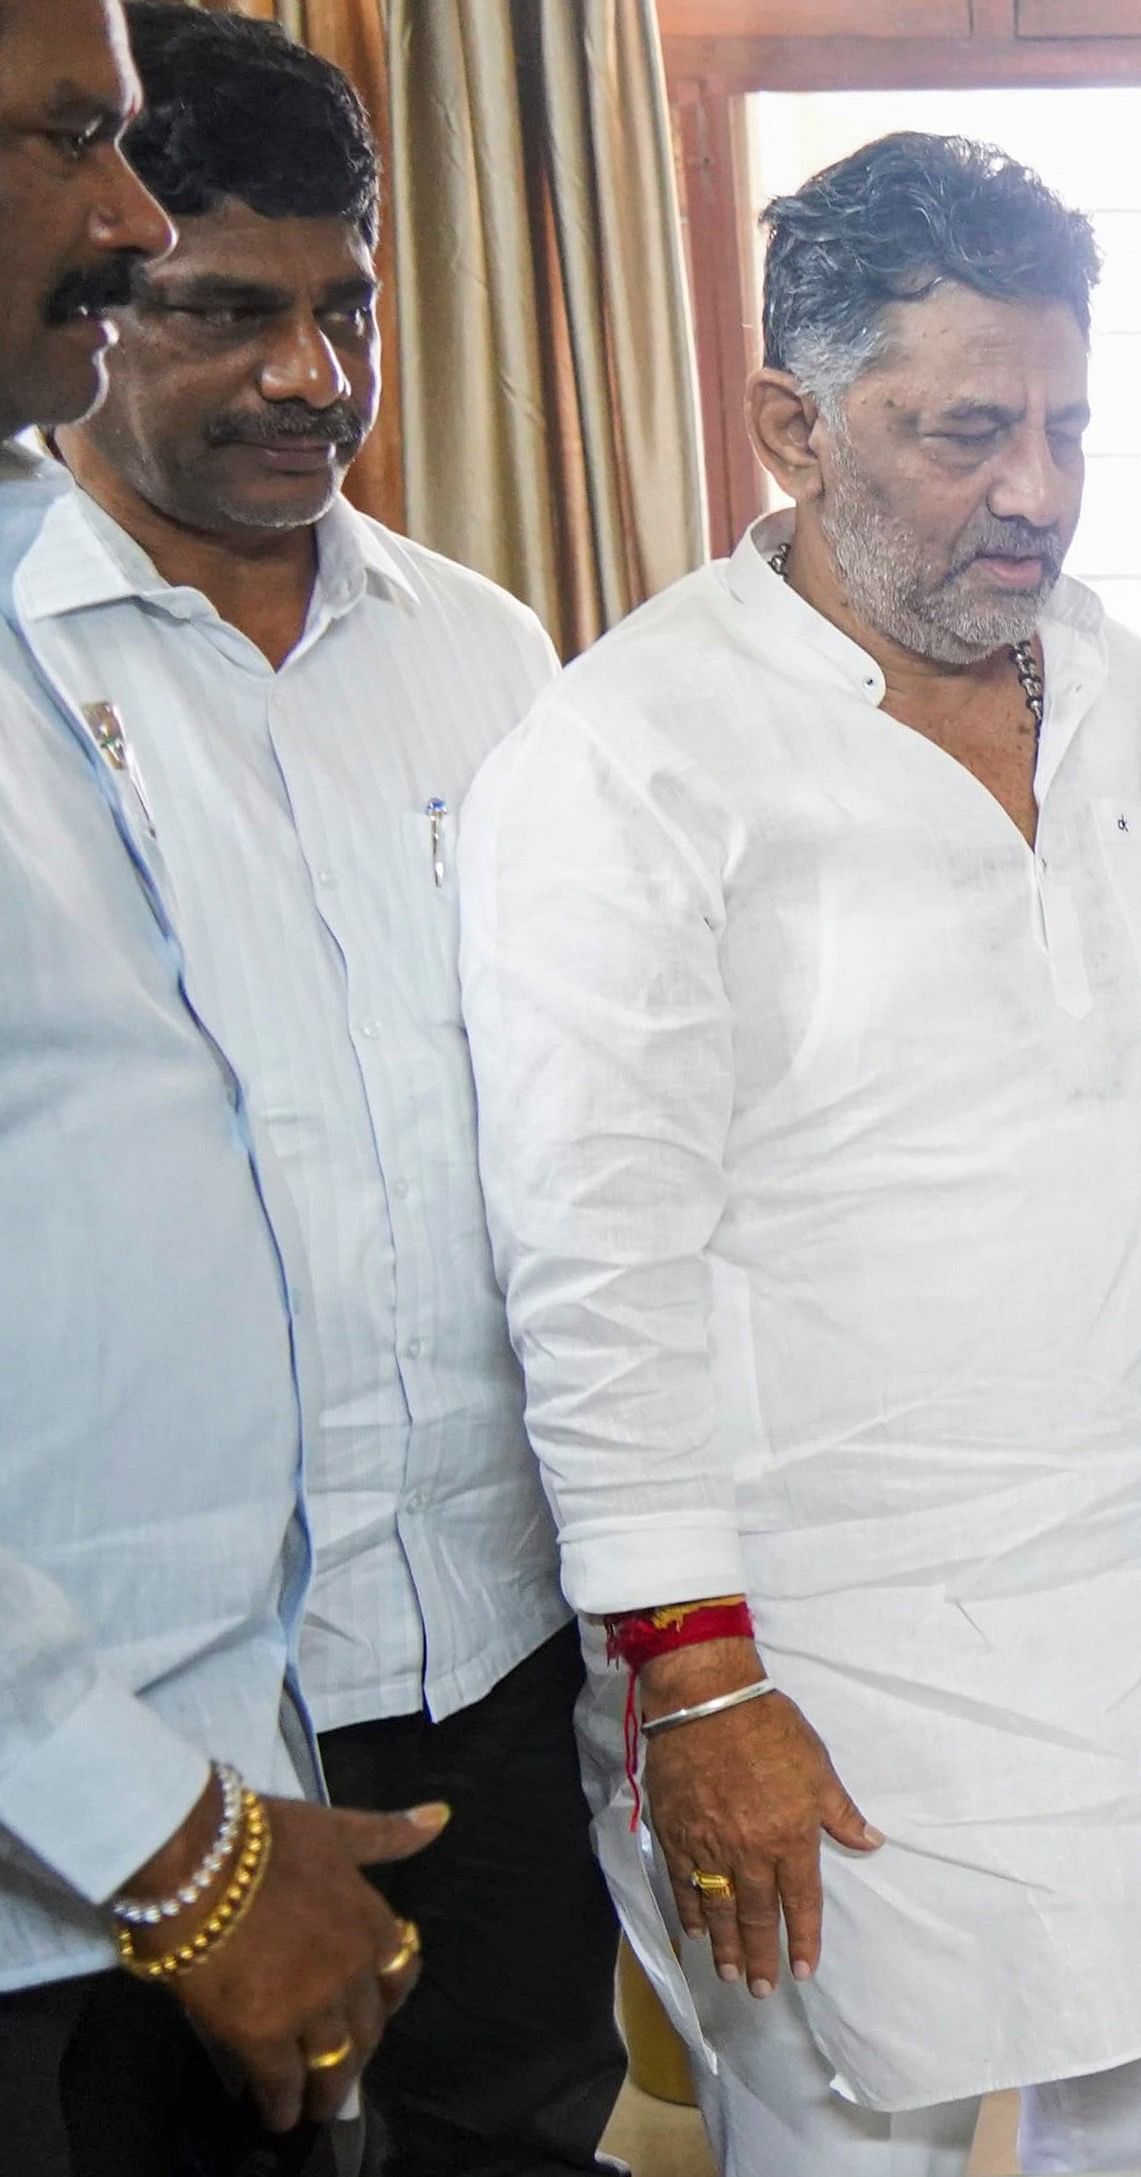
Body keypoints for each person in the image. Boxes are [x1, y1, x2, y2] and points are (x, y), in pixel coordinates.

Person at [455, 133, 1141, 2177]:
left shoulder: (1120, 682)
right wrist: (695, 1687)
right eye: (963, 431)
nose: (1033, 488)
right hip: (831, 1655)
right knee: (855, 2135)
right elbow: (588, 1260)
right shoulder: (627, 757)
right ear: (789, 424)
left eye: (1064, 425)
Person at [19, 14, 611, 2171]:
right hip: (148, 1738)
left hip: (487, 1662)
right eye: (224, 312)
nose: (308, 377)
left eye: (343, 308)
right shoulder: (21, 643)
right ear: (107, 296)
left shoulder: (495, 656)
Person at [0, 0, 441, 2167]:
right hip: (91, 1828)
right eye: (73, 141)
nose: (123, 211)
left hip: (341, 1721)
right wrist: (161, 1838)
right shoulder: (58, 613)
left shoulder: (491, 656)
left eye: (342, 311)